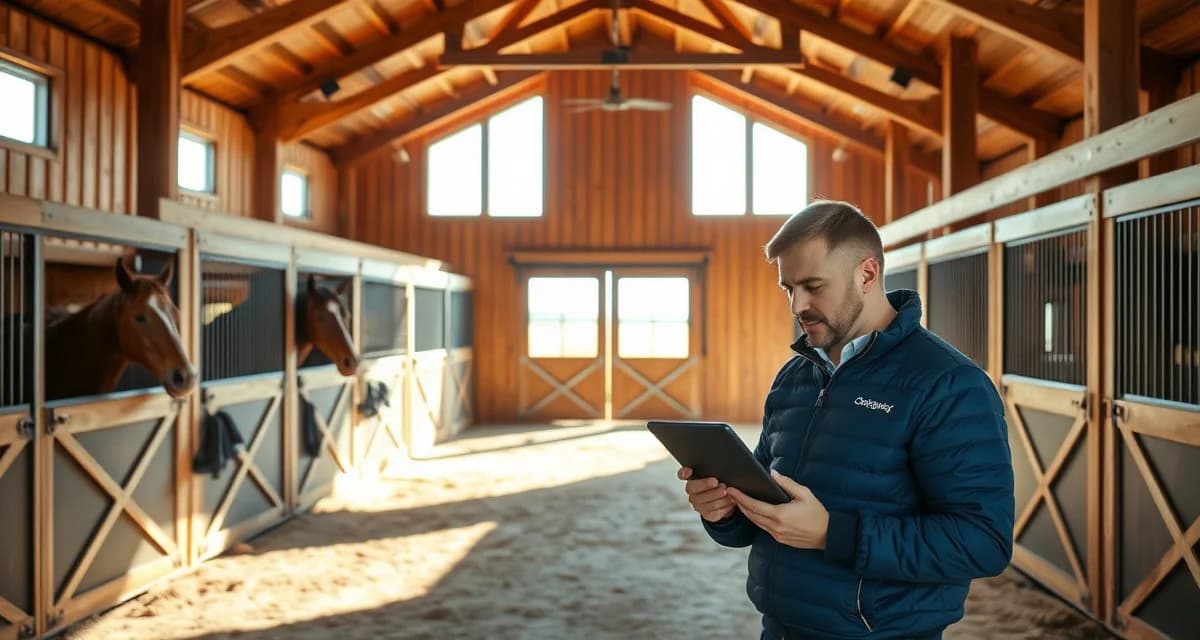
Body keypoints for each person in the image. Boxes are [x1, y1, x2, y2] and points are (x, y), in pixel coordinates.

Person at [679, 200, 1014, 639]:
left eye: (813, 286)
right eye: (788, 288)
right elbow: (770, 505)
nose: (797, 305)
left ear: (867, 274)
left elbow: (983, 542)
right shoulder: (795, 376)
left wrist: (833, 534)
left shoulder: (949, 384)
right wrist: (723, 511)